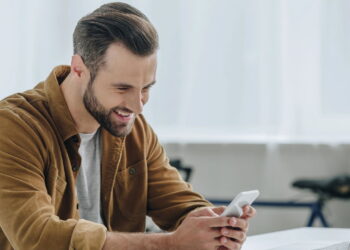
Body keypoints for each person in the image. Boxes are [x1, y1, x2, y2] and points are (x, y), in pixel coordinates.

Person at [0, 2, 256, 250]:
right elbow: (37, 238)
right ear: (79, 69)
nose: (138, 106)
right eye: (122, 88)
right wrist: (171, 244)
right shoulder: (13, 127)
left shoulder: (135, 128)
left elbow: (176, 199)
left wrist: (213, 225)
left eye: (146, 88)